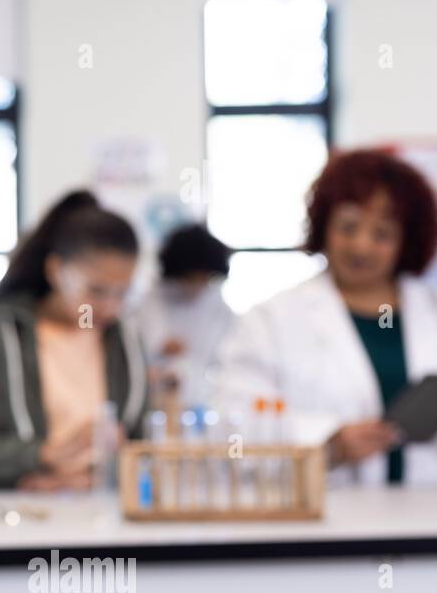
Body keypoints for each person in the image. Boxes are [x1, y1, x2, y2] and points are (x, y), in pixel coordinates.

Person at [215, 149, 437, 485]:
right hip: (325, 518)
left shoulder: (429, 308)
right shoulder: (271, 318)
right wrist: (326, 442)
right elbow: (232, 425)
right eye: (348, 227)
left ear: (405, 241)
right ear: (324, 225)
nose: (361, 247)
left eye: (382, 234)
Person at [0, 190, 148, 490]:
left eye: (122, 293)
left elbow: (143, 440)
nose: (110, 307)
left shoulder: (124, 339)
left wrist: (112, 468)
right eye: (97, 291)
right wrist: (47, 456)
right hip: (29, 519)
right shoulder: (3, 334)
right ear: (55, 271)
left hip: (110, 515)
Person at [134, 222, 235, 407]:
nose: (198, 285)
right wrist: (160, 349)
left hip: (205, 401)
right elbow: (139, 353)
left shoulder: (218, 306)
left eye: (205, 278)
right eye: (192, 277)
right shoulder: (152, 301)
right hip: (156, 401)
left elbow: (228, 359)